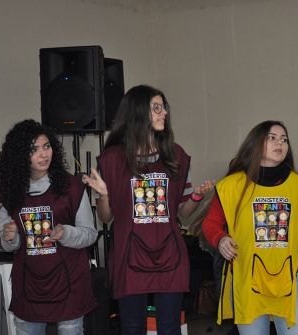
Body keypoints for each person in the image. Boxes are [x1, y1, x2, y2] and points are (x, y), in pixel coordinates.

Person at [83, 84, 215, 335]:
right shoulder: (111, 159)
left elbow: (184, 214)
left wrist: (197, 196)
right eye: (156, 107)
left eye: (164, 107)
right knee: (132, 328)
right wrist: (103, 194)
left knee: (170, 328)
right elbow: (106, 218)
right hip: (129, 254)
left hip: (170, 254)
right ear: (137, 112)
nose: (163, 112)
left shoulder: (176, 156)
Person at [201, 120, 298, 335]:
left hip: (291, 282)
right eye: (272, 137)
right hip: (248, 281)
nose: (279, 143)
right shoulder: (231, 186)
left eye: (284, 139)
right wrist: (221, 238)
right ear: (255, 143)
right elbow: (210, 223)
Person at [0, 119, 98, 335]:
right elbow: (8, 246)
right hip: (29, 284)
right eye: (34, 150)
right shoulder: (11, 191)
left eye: (47, 146)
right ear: (19, 155)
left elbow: (90, 235)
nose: (44, 155)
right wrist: (10, 237)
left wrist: (65, 233)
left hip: (70, 281)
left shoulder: (72, 187)